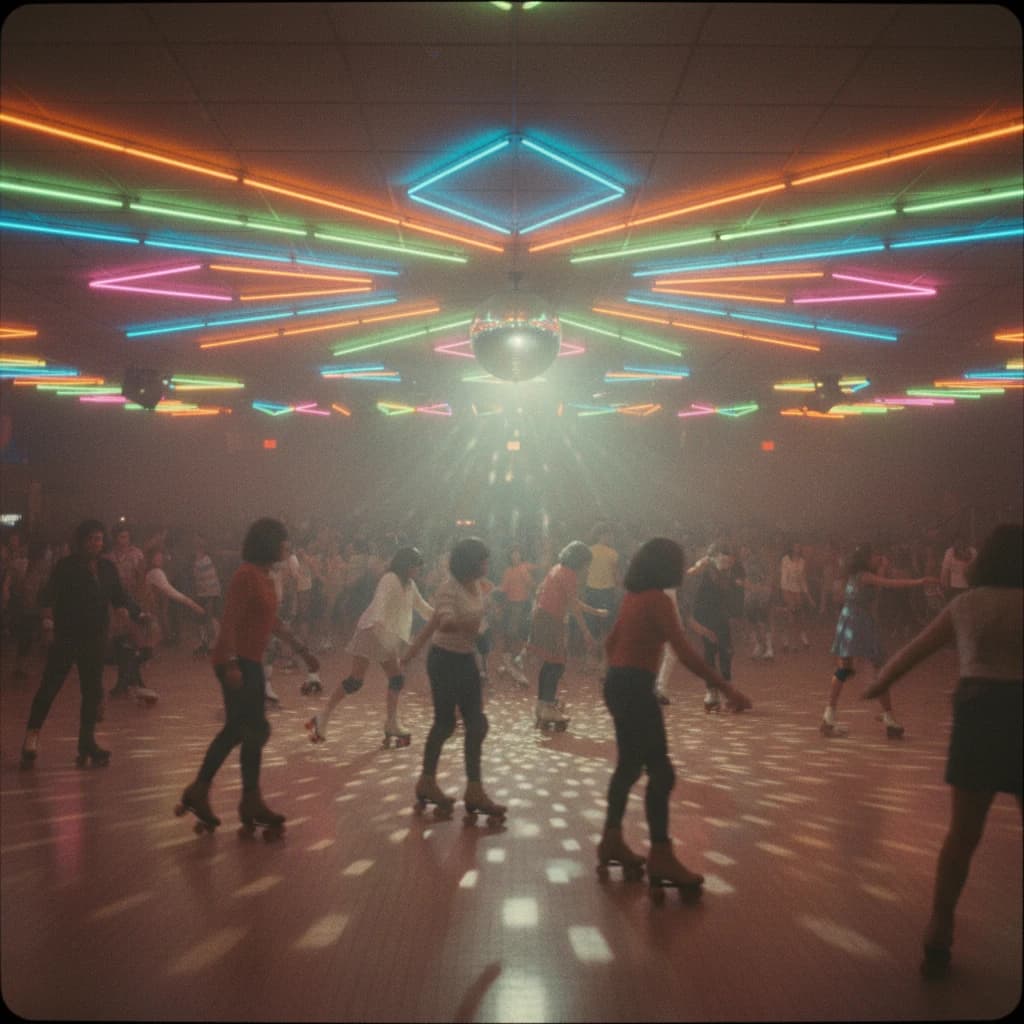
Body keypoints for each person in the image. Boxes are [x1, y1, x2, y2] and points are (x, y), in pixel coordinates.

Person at [862, 524, 1021, 979]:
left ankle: (940, 925)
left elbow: (917, 649)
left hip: (979, 714)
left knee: (962, 835)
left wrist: (882, 682)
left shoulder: (966, 604)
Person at [599, 538, 752, 888]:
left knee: (627, 767)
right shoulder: (658, 599)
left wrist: (621, 672)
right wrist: (727, 688)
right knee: (662, 774)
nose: (683, 570)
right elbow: (684, 652)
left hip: (619, 683)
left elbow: (611, 644)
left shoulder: (633, 597)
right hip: (636, 688)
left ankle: (611, 839)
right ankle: (661, 856)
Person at [176, 518, 318, 833]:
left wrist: (301, 649)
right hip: (236, 660)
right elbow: (228, 622)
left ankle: (214, 793)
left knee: (245, 731)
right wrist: (229, 665)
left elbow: (273, 620)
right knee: (247, 730)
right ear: (270, 543)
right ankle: (232, 797)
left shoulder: (266, 576)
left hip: (248, 660)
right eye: (284, 542)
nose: (288, 547)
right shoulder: (246, 575)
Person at [20, 519, 147, 768]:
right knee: (49, 687)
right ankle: (31, 737)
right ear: (81, 541)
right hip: (67, 639)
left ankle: (87, 742)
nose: (95, 543)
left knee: (92, 692)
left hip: (95, 640)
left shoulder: (107, 568)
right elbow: (47, 597)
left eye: (99, 538)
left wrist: (133, 612)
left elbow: (119, 596)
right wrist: (48, 627)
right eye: (91, 538)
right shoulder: (66, 567)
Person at [402, 537, 505, 821]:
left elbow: (434, 623)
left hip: (464, 659)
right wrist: (472, 625)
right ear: (471, 563)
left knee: (477, 724)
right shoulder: (449, 588)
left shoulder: (476, 585)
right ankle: (427, 781)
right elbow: (443, 621)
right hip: (444, 661)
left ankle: (474, 789)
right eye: (483, 560)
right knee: (445, 723)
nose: (487, 564)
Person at [305, 547, 433, 747]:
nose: (419, 570)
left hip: (387, 636)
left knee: (396, 679)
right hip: (372, 632)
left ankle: (391, 722)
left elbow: (423, 608)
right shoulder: (389, 579)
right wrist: (380, 624)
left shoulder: (410, 585)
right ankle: (323, 718)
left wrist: (443, 616)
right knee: (356, 681)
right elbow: (380, 603)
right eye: (417, 565)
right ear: (407, 565)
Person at [822, 542, 938, 738]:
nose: (879, 557)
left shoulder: (856, 575)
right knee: (877, 668)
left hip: (849, 618)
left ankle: (829, 717)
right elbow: (891, 584)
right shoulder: (865, 576)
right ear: (867, 559)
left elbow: (879, 582)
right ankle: (888, 718)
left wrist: (883, 567)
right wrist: (920, 581)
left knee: (845, 669)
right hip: (859, 621)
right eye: (876, 555)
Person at [526, 541, 607, 729]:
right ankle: (547, 706)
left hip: (545, 617)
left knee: (551, 663)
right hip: (551, 620)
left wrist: (595, 611)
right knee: (556, 664)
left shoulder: (558, 569)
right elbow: (574, 607)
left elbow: (572, 601)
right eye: (587, 563)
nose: (587, 567)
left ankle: (543, 704)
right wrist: (587, 632)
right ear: (580, 561)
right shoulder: (569, 575)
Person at [112, 547, 205, 704]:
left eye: (162, 555)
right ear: (152, 558)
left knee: (136, 651)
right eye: (159, 556)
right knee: (144, 652)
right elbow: (171, 592)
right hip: (143, 616)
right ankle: (127, 685)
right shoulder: (155, 573)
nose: (162, 558)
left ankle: (130, 686)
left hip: (139, 615)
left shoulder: (149, 572)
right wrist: (193, 605)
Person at [688, 543, 745, 712]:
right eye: (723, 556)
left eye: (729, 557)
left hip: (722, 617)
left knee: (726, 651)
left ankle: (727, 690)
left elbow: (735, 595)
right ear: (714, 557)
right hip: (704, 617)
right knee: (711, 651)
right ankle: (711, 693)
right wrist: (700, 565)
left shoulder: (732, 571)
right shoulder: (704, 570)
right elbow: (689, 575)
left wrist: (735, 615)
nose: (727, 560)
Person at [191, 535, 222, 657]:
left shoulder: (206, 560)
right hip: (202, 594)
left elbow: (208, 581)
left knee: (211, 619)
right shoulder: (198, 560)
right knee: (201, 620)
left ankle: (214, 645)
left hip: (211, 594)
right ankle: (205, 643)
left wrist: (209, 597)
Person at [779, 541, 813, 651]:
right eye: (795, 546)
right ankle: (788, 641)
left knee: (800, 616)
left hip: (797, 590)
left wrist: (808, 596)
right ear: (791, 547)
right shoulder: (785, 559)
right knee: (791, 616)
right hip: (787, 589)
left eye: (799, 546)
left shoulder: (802, 561)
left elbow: (803, 580)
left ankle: (802, 637)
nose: (797, 548)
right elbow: (783, 578)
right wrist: (786, 593)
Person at [940, 535, 976, 603]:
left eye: (962, 541)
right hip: (955, 588)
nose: (960, 543)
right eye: (958, 541)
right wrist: (944, 585)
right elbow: (945, 570)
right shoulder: (950, 552)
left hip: (969, 587)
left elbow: (976, 568)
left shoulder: (972, 551)